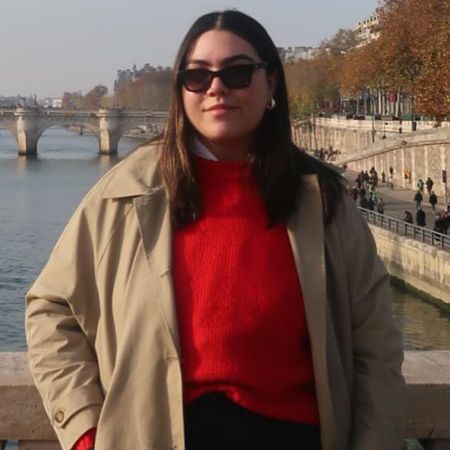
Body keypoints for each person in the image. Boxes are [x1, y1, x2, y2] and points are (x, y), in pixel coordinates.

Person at [25, 10, 404, 450]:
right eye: (197, 77)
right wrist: (85, 431)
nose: (216, 87)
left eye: (238, 73)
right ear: (181, 91)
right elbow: (50, 310)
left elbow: (376, 348)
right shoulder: (123, 194)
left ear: (271, 84)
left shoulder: (325, 202)